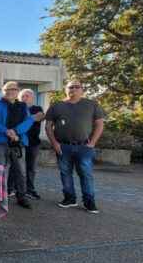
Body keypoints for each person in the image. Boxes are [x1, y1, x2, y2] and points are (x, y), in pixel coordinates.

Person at [45, 80, 105, 213]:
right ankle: (69, 199)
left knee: (86, 174)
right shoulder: (57, 106)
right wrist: (54, 143)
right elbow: (48, 126)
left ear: (82, 89)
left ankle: (89, 202)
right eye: (70, 87)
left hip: (84, 147)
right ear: (66, 89)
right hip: (63, 147)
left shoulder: (92, 104)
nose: (73, 89)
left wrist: (93, 143)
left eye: (77, 87)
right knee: (65, 174)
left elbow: (100, 124)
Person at [0, 81, 43, 209]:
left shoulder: (23, 106)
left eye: (13, 89)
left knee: (21, 171)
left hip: (18, 142)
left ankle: (21, 197)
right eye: (7, 89)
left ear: (17, 91)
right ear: (3, 91)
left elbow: (29, 121)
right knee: (0, 170)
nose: (10, 91)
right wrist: (6, 131)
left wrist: (16, 131)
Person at [19, 89, 44, 200]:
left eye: (27, 96)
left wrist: (33, 118)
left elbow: (40, 117)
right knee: (18, 167)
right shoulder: (18, 108)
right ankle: (16, 188)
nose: (25, 98)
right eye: (23, 96)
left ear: (32, 97)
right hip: (19, 142)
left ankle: (30, 190)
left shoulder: (37, 109)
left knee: (31, 168)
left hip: (33, 143)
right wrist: (32, 118)